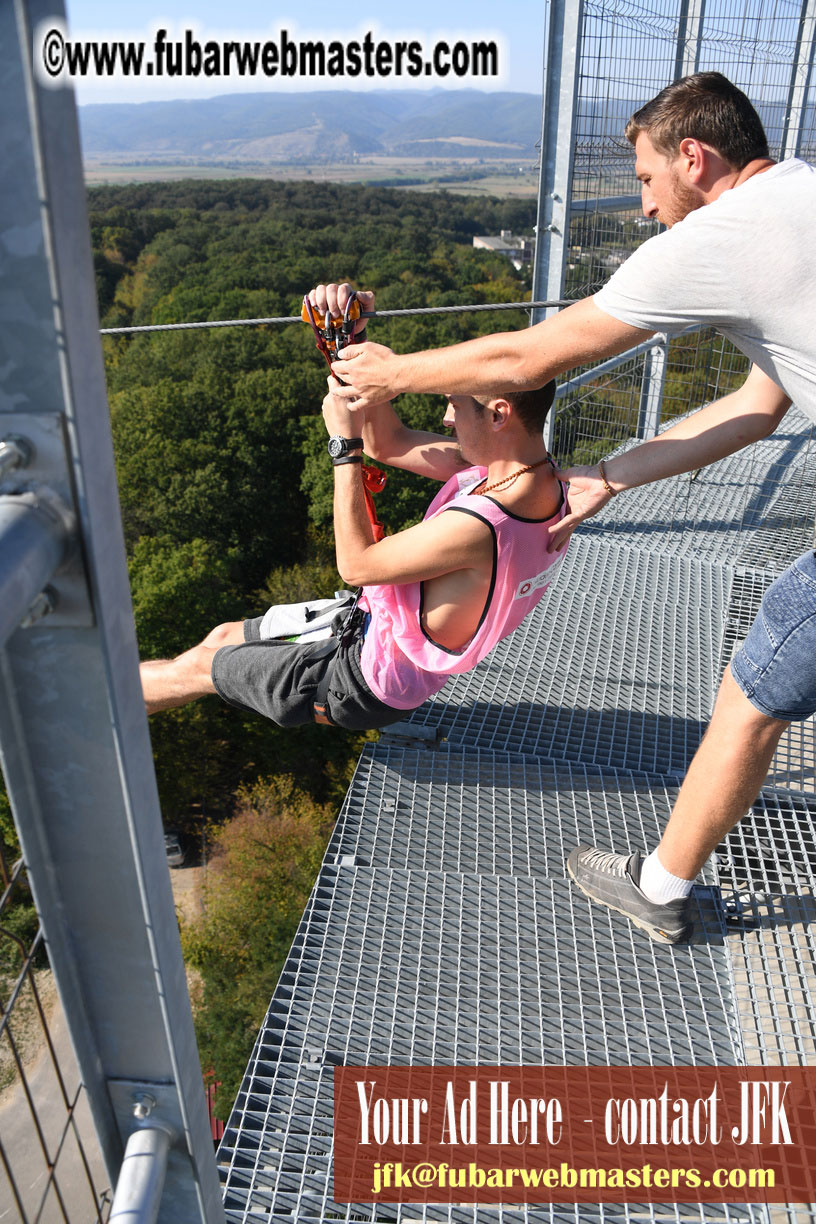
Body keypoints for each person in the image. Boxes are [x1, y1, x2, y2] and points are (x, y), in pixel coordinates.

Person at [329, 72, 816, 944]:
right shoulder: (801, 199)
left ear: (694, 159)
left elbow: (529, 354)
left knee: (752, 694)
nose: (643, 207)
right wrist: (616, 473)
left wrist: (389, 373)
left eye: (644, 180)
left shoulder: (727, 231)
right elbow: (760, 405)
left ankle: (661, 889)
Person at [140, 284, 570, 730]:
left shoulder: (485, 524)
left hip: (359, 680)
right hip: (369, 629)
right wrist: (353, 348)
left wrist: (344, 448)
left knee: (194, 671)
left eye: (455, 404)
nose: (446, 418)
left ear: (498, 414)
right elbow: (389, 443)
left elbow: (357, 565)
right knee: (223, 637)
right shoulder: (531, 478)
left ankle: (84, 709)